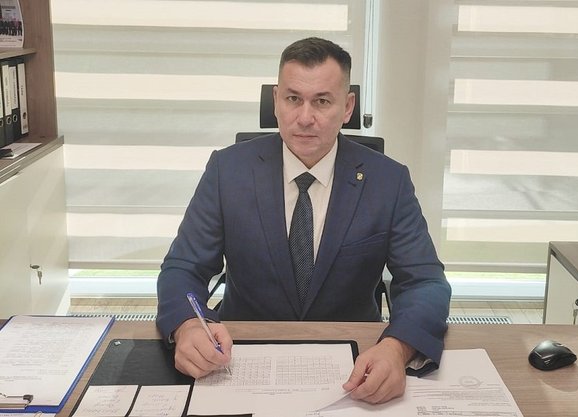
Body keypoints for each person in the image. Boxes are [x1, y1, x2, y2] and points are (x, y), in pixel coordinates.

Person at [157, 37, 451, 405]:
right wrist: (188, 325)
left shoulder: (388, 181)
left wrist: (398, 346)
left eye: (322, 101)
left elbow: (425, 281)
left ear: (347, 107)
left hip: (354, 363)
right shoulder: (227, 171)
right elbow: (183, 268)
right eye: (293, 99)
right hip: (238, 359)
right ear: (276, 100)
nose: (305, 117)